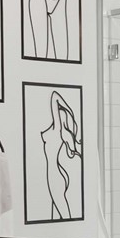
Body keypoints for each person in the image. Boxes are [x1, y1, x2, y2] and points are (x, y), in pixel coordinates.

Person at [40, 89, 82, 218]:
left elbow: (54, 96)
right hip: (59, 173)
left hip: (54, 175)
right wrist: (71, 114)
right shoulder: (62, 134)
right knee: (56, 217)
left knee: (64, 216)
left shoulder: (56, 129)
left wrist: (70, 111)